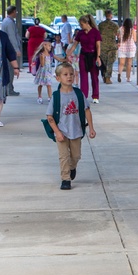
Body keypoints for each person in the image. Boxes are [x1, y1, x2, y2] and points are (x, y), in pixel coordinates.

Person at [44, 62, 95, 190]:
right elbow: (49, 117)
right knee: (63, 156)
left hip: (76, 130)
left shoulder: (78, 94)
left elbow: (87, 110)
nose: (69, 77)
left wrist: (92, 128)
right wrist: (57, 132)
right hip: (61, 132)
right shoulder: (56, 96)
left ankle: (72, 167)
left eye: (71, 74)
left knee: (76, 155)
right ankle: (65, 179)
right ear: (58, 78)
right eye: (65, 74)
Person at [69, 13, 102, 103]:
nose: (81, 26)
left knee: (94, 77)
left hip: (93, 55)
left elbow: (98, 46)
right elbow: (74, 45)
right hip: (83, 56)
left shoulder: (95, 32)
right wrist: (68, 54)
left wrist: (98, 57)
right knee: (83, 76)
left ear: (87, 23)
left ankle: (95, 96)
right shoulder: (80, 33)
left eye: (82, 24)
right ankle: (83, 96)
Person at [0, 5, 22, 95]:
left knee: (8, 69)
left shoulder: (6, 21)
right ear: (13, 12)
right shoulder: (9, 23)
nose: (16, 13)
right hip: (10, 49)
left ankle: (8, 88)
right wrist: (16, 49)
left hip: (7, 49)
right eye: (15, 12)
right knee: (11, 70)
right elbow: (12, 36)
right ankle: (9, 90)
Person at [98, 9, 119, 84]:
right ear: (111, 15)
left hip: (102, 46)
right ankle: (108, 78)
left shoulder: (101, 25)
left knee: (103, 63)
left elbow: (98, 35)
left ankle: (104, 75)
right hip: (111, 46)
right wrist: (118, 43)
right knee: (110, 63)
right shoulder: (115, 25)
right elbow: (118, 35)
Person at [31, 38, 54, 104]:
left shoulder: (50, 54)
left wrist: (65, 59)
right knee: (41, 84)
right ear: (44, 46)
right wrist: (43, 58)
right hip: (43, 72)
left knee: (49, 84)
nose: (50, 47)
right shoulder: (42, 55)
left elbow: (57, 58)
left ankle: (50, 97)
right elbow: (42, 64)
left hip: (48, 72)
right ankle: (39, 96)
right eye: (49, 46)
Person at [116, 17, 136, 83]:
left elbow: (118, 37)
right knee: (129, 64)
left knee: (121, 63)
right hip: (130, 48)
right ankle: (128, 77)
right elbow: (135, 39)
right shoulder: (132, 30)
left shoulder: (120, 29)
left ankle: (119, 74)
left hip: (122, 48)